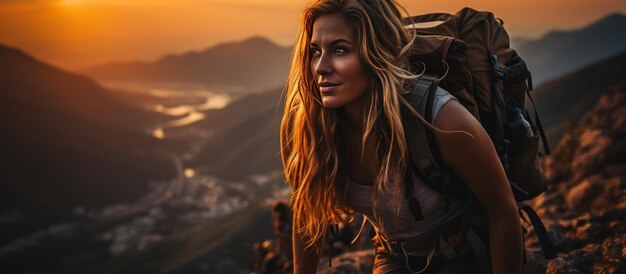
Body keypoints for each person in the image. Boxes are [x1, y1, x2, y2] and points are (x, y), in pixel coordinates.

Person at [279, 0, 523, 273]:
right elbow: (307, 211)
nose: (321, 67)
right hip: (394, 255)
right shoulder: (315, 127)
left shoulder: (441, 119)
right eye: (315, 51)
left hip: (464, 253)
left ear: (376, 55)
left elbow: (503, 213)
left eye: (339, 50)